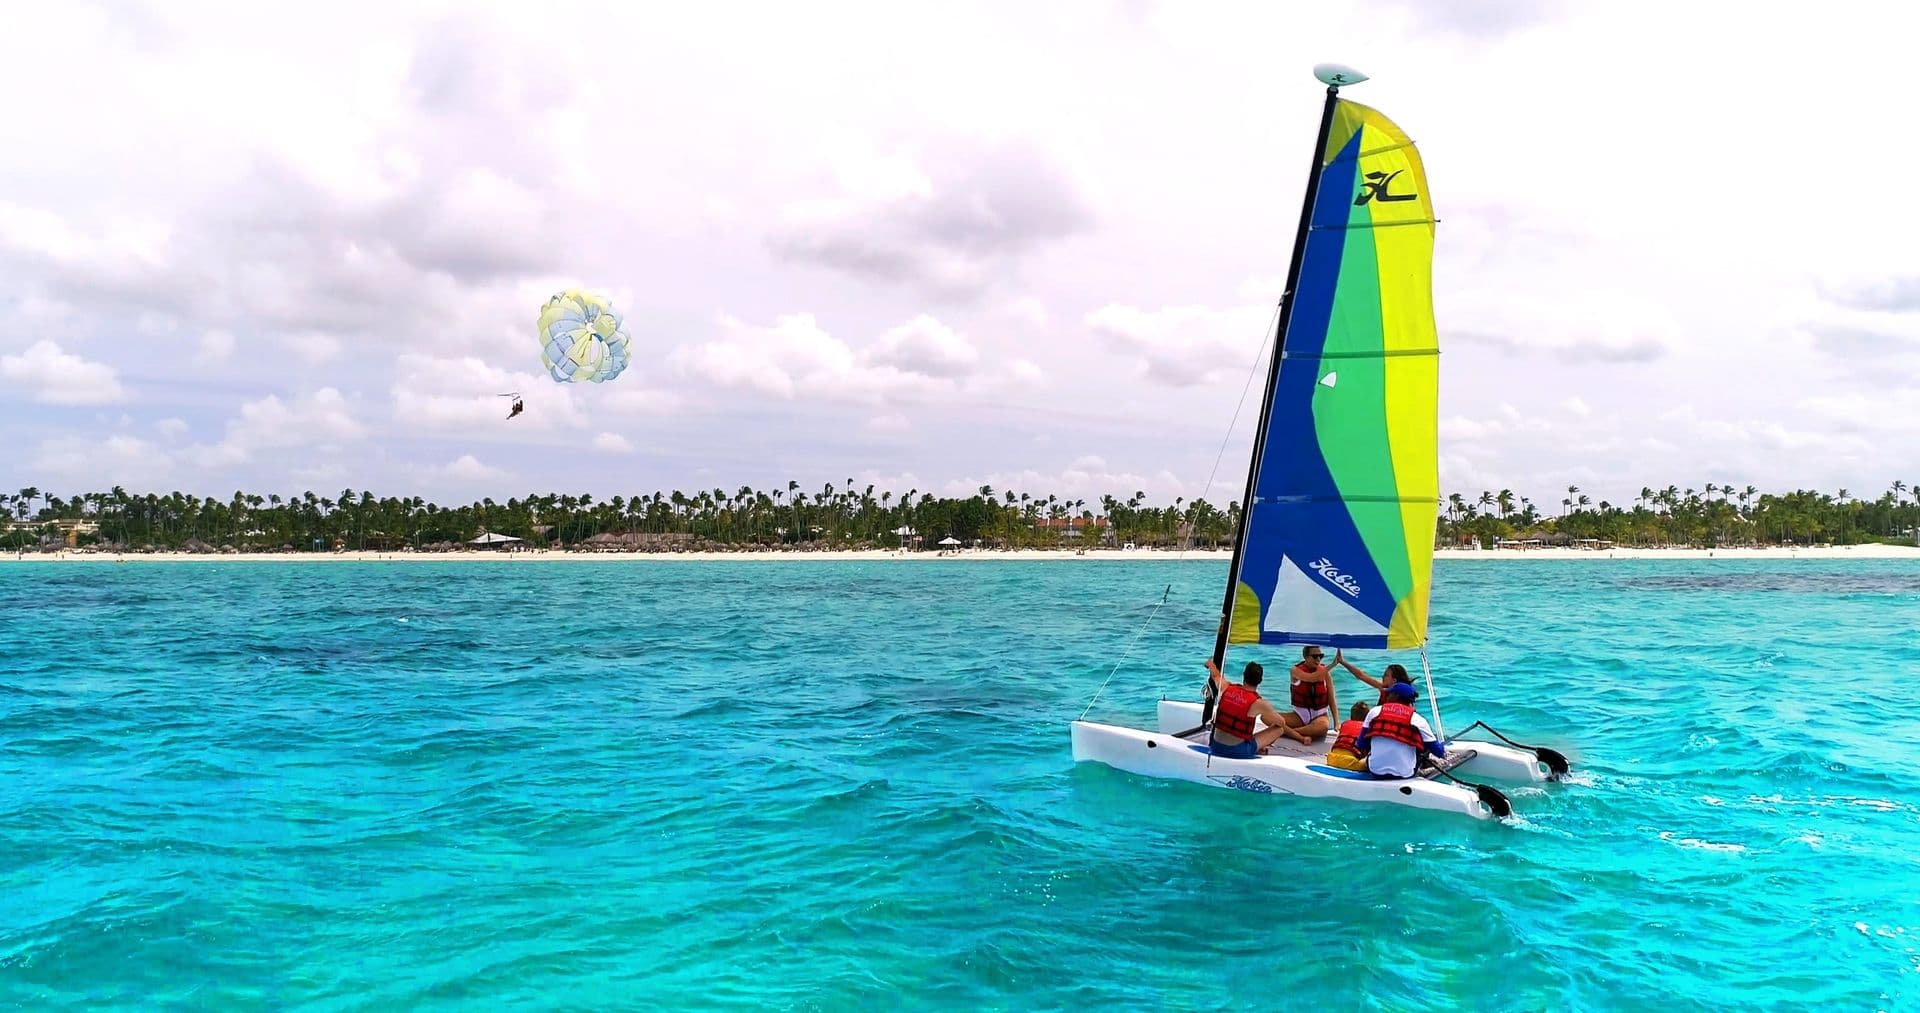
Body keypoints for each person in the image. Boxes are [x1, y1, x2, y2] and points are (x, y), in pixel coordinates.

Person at [1204, 658, 1294, 759]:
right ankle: (1258, 747)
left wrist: (1210, 664)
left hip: (1216, 745)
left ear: (1244, 675)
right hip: (1238, 751)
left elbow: (1216, 675)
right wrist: (1268, 712)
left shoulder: (1226, 687)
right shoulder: (1259, 703)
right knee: (1279, 729)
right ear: (1260, 680)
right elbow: (1281, 723)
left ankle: (1255, 745)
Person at [1357, 682, 1445, 778]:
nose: (1387, 696)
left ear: (1395, 696)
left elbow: (1361, 743)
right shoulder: (1418, 719)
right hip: (1405, 774)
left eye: (1389, 693)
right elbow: (1438, 752)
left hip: (1376, 771)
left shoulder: (1374, 712)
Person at [1279, 645, 1336, 743]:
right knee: (1266, 717)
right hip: (1300, 715)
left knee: (1323, 727)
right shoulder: (1295, 671)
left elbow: (1331, 698)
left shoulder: (1325, 673)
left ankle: (1289, 732)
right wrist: (1333, 664)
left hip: (1320, 715)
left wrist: (1336, 723)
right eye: (1315, 656)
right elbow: (1311, 678)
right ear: (1305, 657)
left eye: (1320, 656)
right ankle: (1302, 731)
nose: (1318, 659)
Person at [1331, 650, 1414, 704]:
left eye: (1386, 675)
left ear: (1394, 680)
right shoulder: (1383, 687)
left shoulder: (1404, 695)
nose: (1382, 677)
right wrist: (1342, 662)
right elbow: (1361, 675)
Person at [1324, 701, 1372, 771]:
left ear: (1351, 716)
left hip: (1331, 759)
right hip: (1351, 763)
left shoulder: (1345, 724)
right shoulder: (1366, 729)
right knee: (1368, 760)